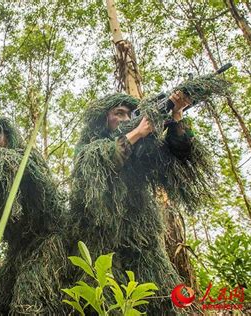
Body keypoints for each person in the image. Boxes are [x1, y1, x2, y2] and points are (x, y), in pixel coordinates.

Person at [70, 91, 215, 313]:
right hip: (102, 241)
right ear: (103, 118)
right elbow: (99, 163)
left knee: (162, 298)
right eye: (119, 113)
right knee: (106, 302)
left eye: (131, 114)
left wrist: (176, 116)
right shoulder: (88, 146)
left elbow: (181, 155)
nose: (126, 119)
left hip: (143, 238)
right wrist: (138, 131)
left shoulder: (143, 149)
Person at [0, 115, 70, 314]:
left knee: (29, 303)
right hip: (17, 250)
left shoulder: (27, 157)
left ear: (8, 138)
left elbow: (20, 176)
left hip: (46, 243)